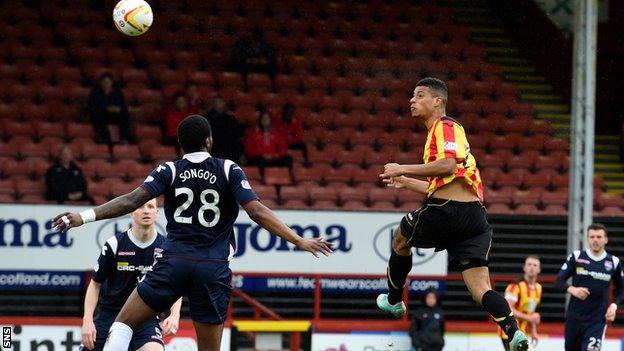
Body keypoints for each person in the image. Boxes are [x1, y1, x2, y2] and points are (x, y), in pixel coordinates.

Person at [53, 115, 331, 351]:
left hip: (174, 263)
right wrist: (298, 240)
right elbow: (256, 212)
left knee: (123, 324)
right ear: (209, 141)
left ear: (180, 145)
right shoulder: (227, 168)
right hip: (212, 269)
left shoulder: (170, 170)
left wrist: (83, 216)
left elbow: (130, 200)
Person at [375, 78, 528, 351]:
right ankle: (514, 332)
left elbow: (445, 167)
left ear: (438, 101)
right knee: (481, 288)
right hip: (474, 219)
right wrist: (407, 182)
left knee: (401, 237)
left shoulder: (445, 126)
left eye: (419, 95)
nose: (412, 100)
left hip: (447, 212)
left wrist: (402, 169)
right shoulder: (449, 139)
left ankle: (395, 299)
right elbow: (444, 183)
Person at [81, 199, 182, 351]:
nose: (146, 211)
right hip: (110, 316)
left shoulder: (167, 247)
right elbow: (95, 284)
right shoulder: (115, 244)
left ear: (157, 212)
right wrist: (87, 321)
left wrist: (174, 315)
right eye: (140, 206)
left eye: (150, 207)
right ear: (130, 212)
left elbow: (175, 285)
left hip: (145, 317)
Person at [555, 223, 624, 351]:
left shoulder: (613, 262)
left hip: (597, 321)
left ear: (606, 239)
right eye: (592, 237)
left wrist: (614, 306)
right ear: (587, 239)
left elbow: (621, 288)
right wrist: (573, 290)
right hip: (574, 318)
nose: (595, 240)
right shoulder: (577, 257)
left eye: (599, 237)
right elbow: (559, 281)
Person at [499, 255, 542, 350]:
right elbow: (508, 310)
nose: (532, 267)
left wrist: (533, 331)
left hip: (524, 332)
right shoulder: (515, 287)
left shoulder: (538, 288)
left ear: (539, 269)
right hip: (510, 331)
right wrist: (530, 318)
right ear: (524, 268)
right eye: (529, 264)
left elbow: (531, 310)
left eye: (535, 265)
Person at [88, 73, 130, 144]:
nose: (106, 84)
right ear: (101, 83)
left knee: (125, 115)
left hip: (114, 115)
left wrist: (118, 109)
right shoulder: (95, 92)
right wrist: (106, 109)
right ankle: (104, 139)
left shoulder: (117, 92)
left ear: (111, 83)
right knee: (100, 116)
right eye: (104, 82)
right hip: (100, 115)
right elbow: (92, 107)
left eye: (108, 82)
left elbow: (123, 106)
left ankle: (123, 138)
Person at [204, 96, 244, 163]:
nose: (217, 104)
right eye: (215, 102)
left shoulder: (229, 117)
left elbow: (237, 132)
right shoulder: (208, 117)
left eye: (219, 102)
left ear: (224, 103)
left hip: (228, 144)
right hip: (214, 144)